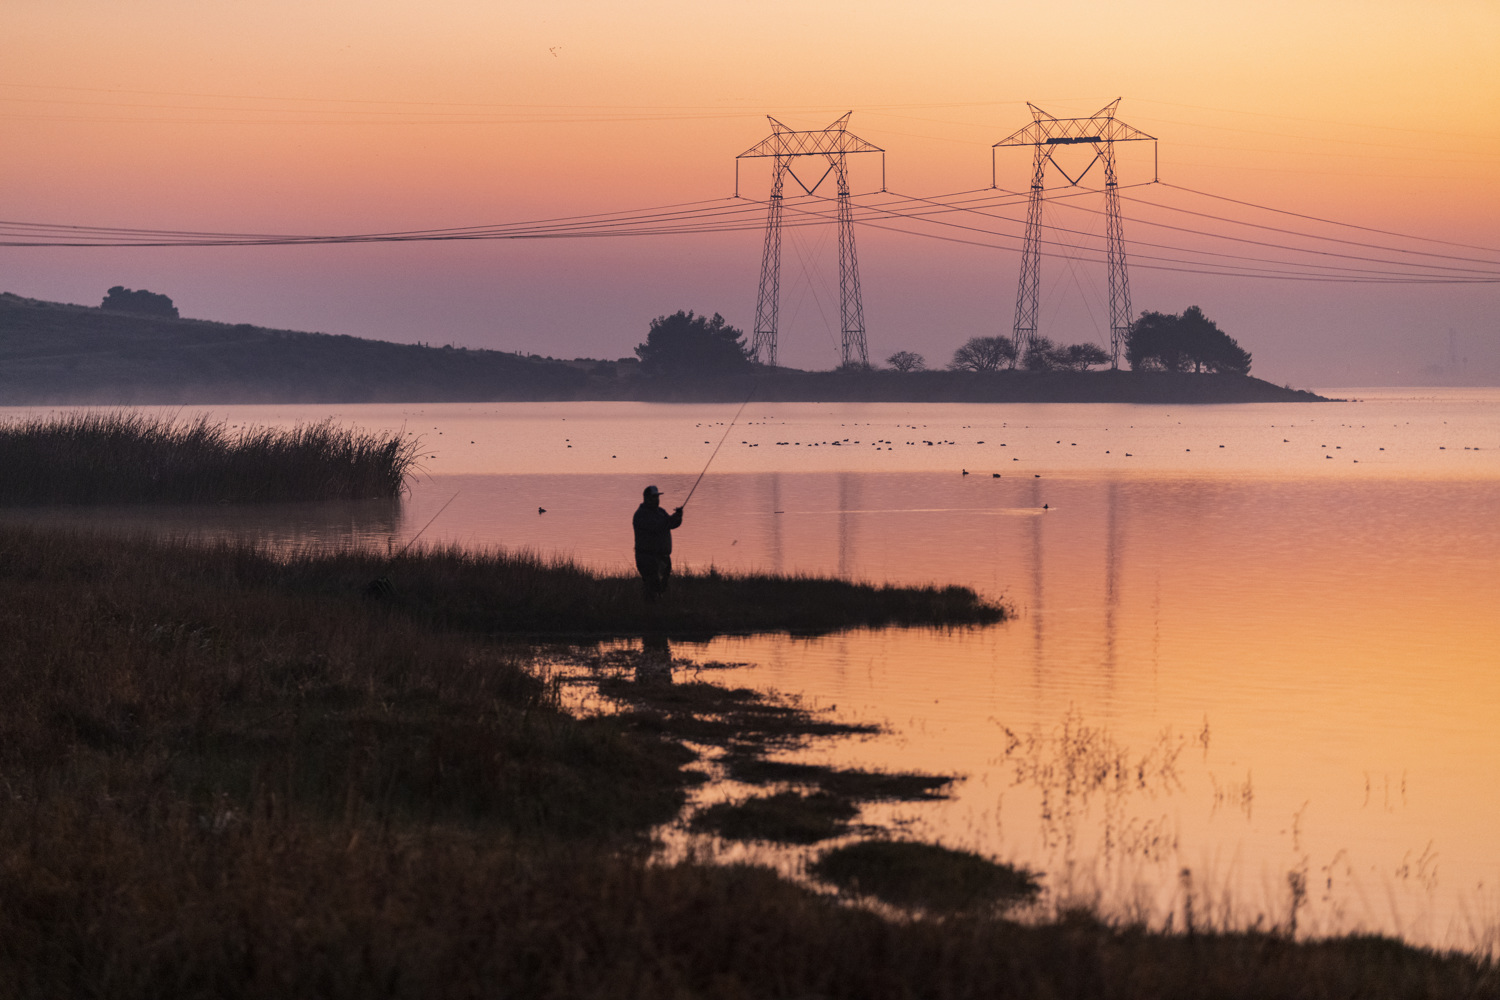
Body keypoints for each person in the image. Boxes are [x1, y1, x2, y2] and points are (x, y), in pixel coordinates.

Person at [632, 485, 683, 601]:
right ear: (646, 498)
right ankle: (650, 612)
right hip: (647, 557)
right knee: (652, 586)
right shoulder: (641, 515)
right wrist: (670, 519)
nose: (657, 499)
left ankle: (654, 610)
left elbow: (670, 524)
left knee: (661, 587)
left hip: (663, 557)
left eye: (657, 497)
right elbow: (657, 526)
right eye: (654, 497)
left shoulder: (660, 512)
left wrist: (678, 517)